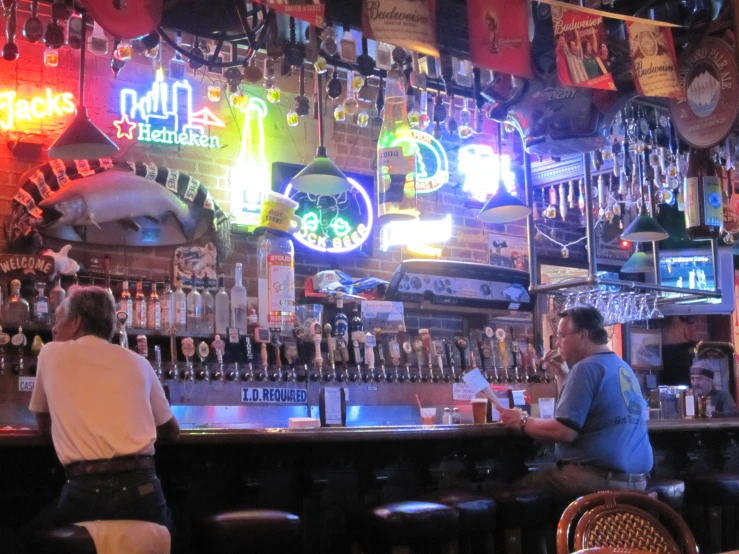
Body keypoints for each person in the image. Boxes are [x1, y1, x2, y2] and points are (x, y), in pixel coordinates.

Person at [28, 287, 179, 532]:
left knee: (26, 535)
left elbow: (43, 424)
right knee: (166, 536)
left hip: (85, 490)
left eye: (58, 320)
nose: (54, 329)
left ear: (76, 322)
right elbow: (172, 431)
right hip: (143, 488)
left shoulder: (51, 352)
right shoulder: (139, 362)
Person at [498, 306, 653, 499]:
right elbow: (576, 412)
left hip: (596, 480)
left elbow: (565, 431)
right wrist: (561, 373)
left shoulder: (586, 368)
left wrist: (521, 421)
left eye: (562, 336)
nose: (558, 343)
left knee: (514, 493)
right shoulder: (621, 366)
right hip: (636, 482)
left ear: (583, 336)